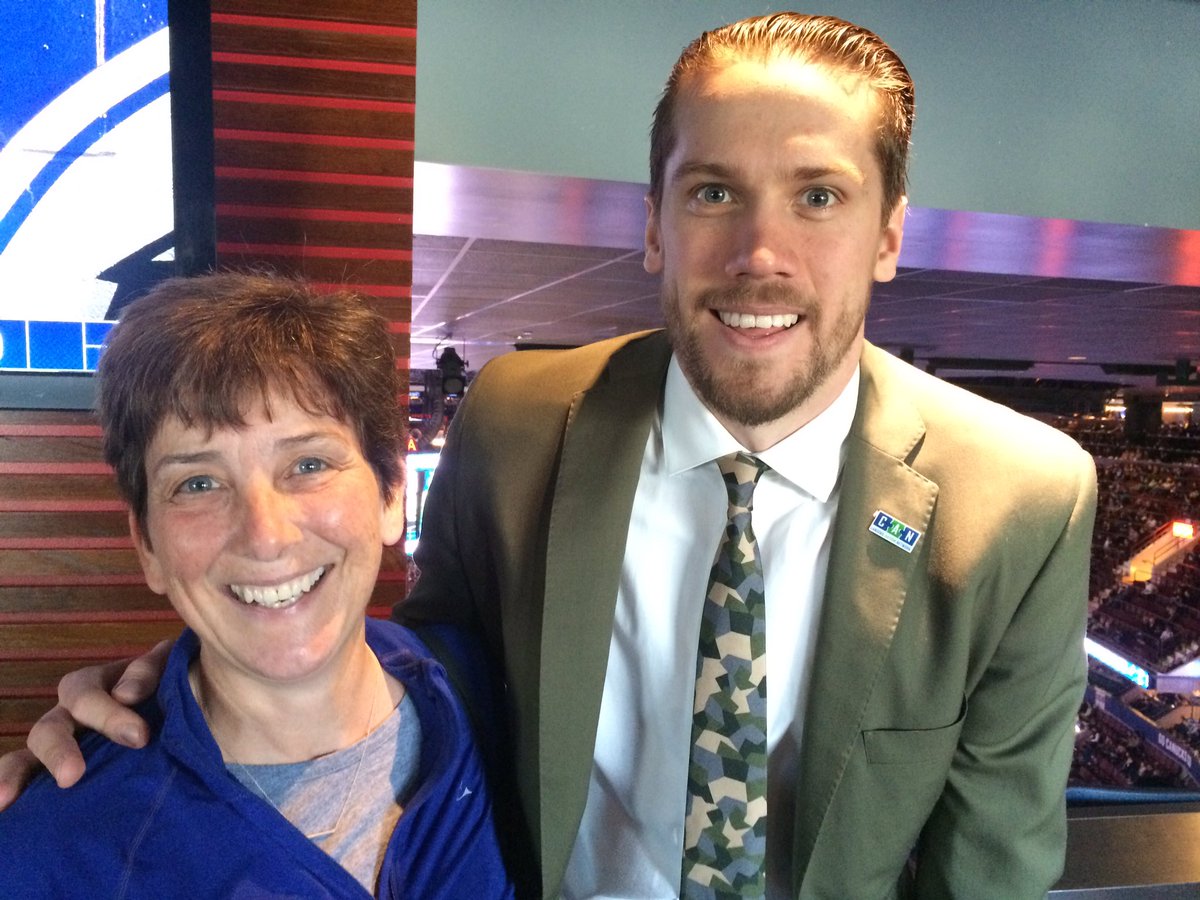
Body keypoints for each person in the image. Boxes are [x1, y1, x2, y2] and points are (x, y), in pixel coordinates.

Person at [0, 13, 1096, 899]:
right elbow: (410, 654)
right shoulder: (523, 418)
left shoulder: (1022, 499)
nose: (762, 256)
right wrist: (169, 702)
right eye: (713, 192)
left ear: (892, 231)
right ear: (658, 224)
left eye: (820, 196)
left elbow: (989, 865)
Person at [0, 273, 513, 898]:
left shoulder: (493, 694)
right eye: (198, 483)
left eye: (308, 464)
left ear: (391, 496)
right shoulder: (52, 854)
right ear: (148, 547)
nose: (265, 536)